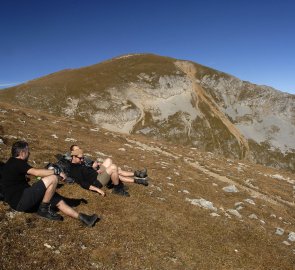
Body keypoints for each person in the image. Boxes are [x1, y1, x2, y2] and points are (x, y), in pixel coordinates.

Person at [1, 141, 98, 227]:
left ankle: (84, 218)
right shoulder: (17, 162)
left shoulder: (12, 162)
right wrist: (56, 171)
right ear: (22, 153)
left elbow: (36, 174)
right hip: (20, 201)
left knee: (54, 196)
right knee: (53, 179)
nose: (29, 153)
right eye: (27, 151)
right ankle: (43, 209)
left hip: (22, 197)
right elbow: (36, 173)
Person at [69, 145, 149, 186]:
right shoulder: (75, 161)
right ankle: (138, 179)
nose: (79, 150)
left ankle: (138, 174)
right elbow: (85, 174)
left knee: (109, 160)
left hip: (97, 168)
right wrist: (94, 169)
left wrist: (98, 164)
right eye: (76, 150)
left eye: (79, 148)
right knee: (115, 171)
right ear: (72, 153)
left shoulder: (82, 158)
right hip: (96, 174)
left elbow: (90, 163)